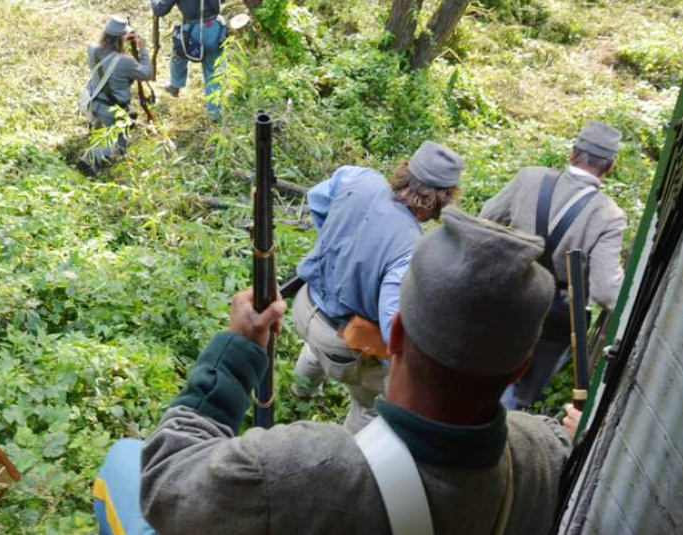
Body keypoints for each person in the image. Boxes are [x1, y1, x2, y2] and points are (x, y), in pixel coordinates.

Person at [92, 207, 574, 535]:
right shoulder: (549, 457)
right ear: (520, 370)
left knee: (125, 460)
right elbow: (558, 441)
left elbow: (165, 482)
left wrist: (238, 349)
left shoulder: (296, 467)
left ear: (397, 333)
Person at [291, 142, 463, 433]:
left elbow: (318, 200)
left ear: (406, 170)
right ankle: (347, 455)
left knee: (313, 349)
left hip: (304, 305)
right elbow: (391, 330)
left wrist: (335, 247)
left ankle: (300, 394)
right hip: (341, 341)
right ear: (444, 198)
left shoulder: (357, 177)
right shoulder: (409, 249)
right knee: (375, 403)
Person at [480, 121, 627, 410]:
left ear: (572, 153)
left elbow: (487, 219)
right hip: (554, 316)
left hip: (505, 294)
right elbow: (606, 294)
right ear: (609, 167)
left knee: (482, 370)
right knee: (517, 396)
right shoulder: (609, 215)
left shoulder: (528, 178)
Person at [78, 15, 153, 176]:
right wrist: (143, 49)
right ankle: (91, 156)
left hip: (93, 102)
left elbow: (109, 55)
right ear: (121, 38)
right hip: (112, 111)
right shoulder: (126, 61)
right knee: (120, 149)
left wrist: (121, 38)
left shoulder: (92, 49)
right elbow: (148, 73)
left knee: (113, 129)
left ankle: (99, 138)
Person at [151, 0, 226, 120]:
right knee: (213, 71)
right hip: (214, 28)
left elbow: (159, 10)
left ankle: (175, 84)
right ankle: (214, 113)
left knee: (179, 54)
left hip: (193, 29)